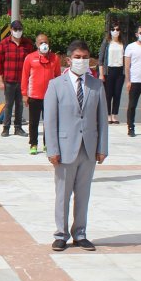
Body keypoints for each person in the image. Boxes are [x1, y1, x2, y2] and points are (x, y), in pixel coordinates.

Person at [44, 41, 108, 252]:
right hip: (64, 149)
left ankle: (80, 233)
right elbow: (50, 120)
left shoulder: (96, 85)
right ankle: (61, 234)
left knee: (83, 194)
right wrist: (52, 149)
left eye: (85, 57)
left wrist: (102, 147)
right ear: (69, 60)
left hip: (88, 149)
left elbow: (102, 119)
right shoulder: (56, 85)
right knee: (63, 194)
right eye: (78, 57)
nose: (82, 61)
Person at [21, 33, 61, 155]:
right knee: (33, 122)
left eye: (46, 42)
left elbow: (58, 77)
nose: (44, 45)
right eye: (41, 42)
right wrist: (24, 94)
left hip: (50, 96)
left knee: (49, 122)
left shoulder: (55, 58)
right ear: (36, 44)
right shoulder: (30, 58)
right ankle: (33, 144)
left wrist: (59, 94)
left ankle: (47, 143)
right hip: (34, 95)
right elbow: (24, 77)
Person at [0, 20, 35, 137]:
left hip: (23, 80)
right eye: (15, 29)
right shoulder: (4, 43)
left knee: (20, 104)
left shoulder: (28, 44)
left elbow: (31, 61)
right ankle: (6, 128)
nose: (18, 32)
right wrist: (0, 79)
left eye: (20, 29)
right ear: (11, 30)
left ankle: (18, 127)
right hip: (9, 79)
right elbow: (0, 62)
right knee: (8, 104)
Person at [99, 22, 125, 125]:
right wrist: (101, 74)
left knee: (117, 94)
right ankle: (108, 115)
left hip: (120, 71)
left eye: (117, 30)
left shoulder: (123, 43)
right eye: (113, 30)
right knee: (108, 94)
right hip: (109, 71)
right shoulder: (106, 42)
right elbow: (101, 59)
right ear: (110, 31)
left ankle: (115, 114)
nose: (115, 32)